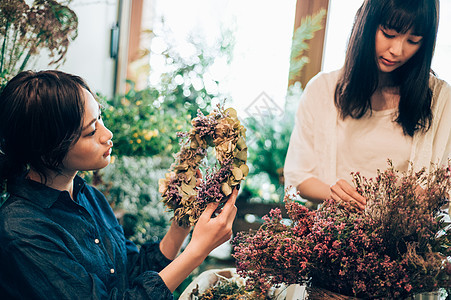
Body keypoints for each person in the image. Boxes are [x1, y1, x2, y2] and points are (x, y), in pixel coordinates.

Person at [0, 70, 238, 299]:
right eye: (91, 131)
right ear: (48, 151)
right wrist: (197, 252)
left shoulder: (89, 197)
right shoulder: (22, 232)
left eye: (100, 118)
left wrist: (182, 223)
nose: (107, 134)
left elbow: (131, 273)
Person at [284, 0, 450, 210]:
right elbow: (298, 177)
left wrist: (427, 197)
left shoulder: (440, 100)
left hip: (404, 241)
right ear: (366, 23)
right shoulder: (322, 89)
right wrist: (334, 194)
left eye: (413, 40)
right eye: (389, 34)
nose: (397, 50)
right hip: (338, 237)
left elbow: (446, 193)